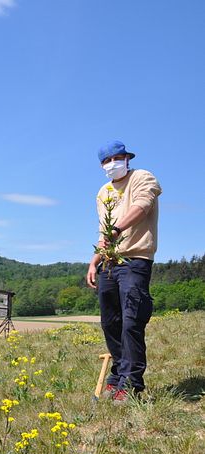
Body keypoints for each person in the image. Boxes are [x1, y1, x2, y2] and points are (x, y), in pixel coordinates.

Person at [86, 141, 162, 404]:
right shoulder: (103, 192)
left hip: (134, 259)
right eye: (107, 160)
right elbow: (103, 230)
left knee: (132, 321)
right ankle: (118, 376)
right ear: (101, 166)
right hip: (108, 262)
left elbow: (141, 207)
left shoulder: (142, 178)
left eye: (118, 158)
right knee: (111, 322)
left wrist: (116, 231)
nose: (113, 164)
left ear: (127, 159)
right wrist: (94, 260)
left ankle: (131, 384)